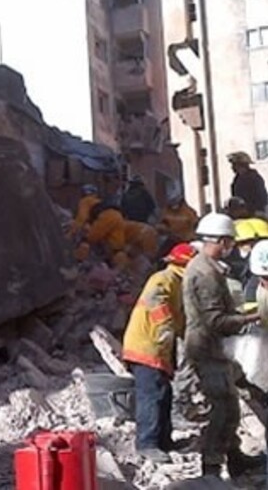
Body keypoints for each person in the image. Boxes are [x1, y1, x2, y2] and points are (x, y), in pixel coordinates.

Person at [182, 212, 265, 478]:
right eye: (228, 242)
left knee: (230, 407)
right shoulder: (205, 273)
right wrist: (254, 317)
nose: (230, 248)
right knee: (222, 409)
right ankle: (212, 468)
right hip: (207, 348)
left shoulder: (209, 267)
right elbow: (216, 320)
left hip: (215, 347)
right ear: (217, 240)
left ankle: (234, 458)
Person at [122, 243, 196, 463]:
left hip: (158, 348)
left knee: (164, 395)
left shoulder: (178, 283)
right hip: (147, 346)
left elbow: (180, 319)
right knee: (151, 396)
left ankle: (164, 441)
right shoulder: (163, 279)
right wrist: (168, 331)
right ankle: (147, 443)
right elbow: (160, 307)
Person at [228, 151, 267, 216]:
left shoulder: (254, 178)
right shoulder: (237, 179)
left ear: (242, 165)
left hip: (255, 213)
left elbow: (262, 198)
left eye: (234, 164)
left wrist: (251, 210)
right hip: (241, 212)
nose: (232, 167)